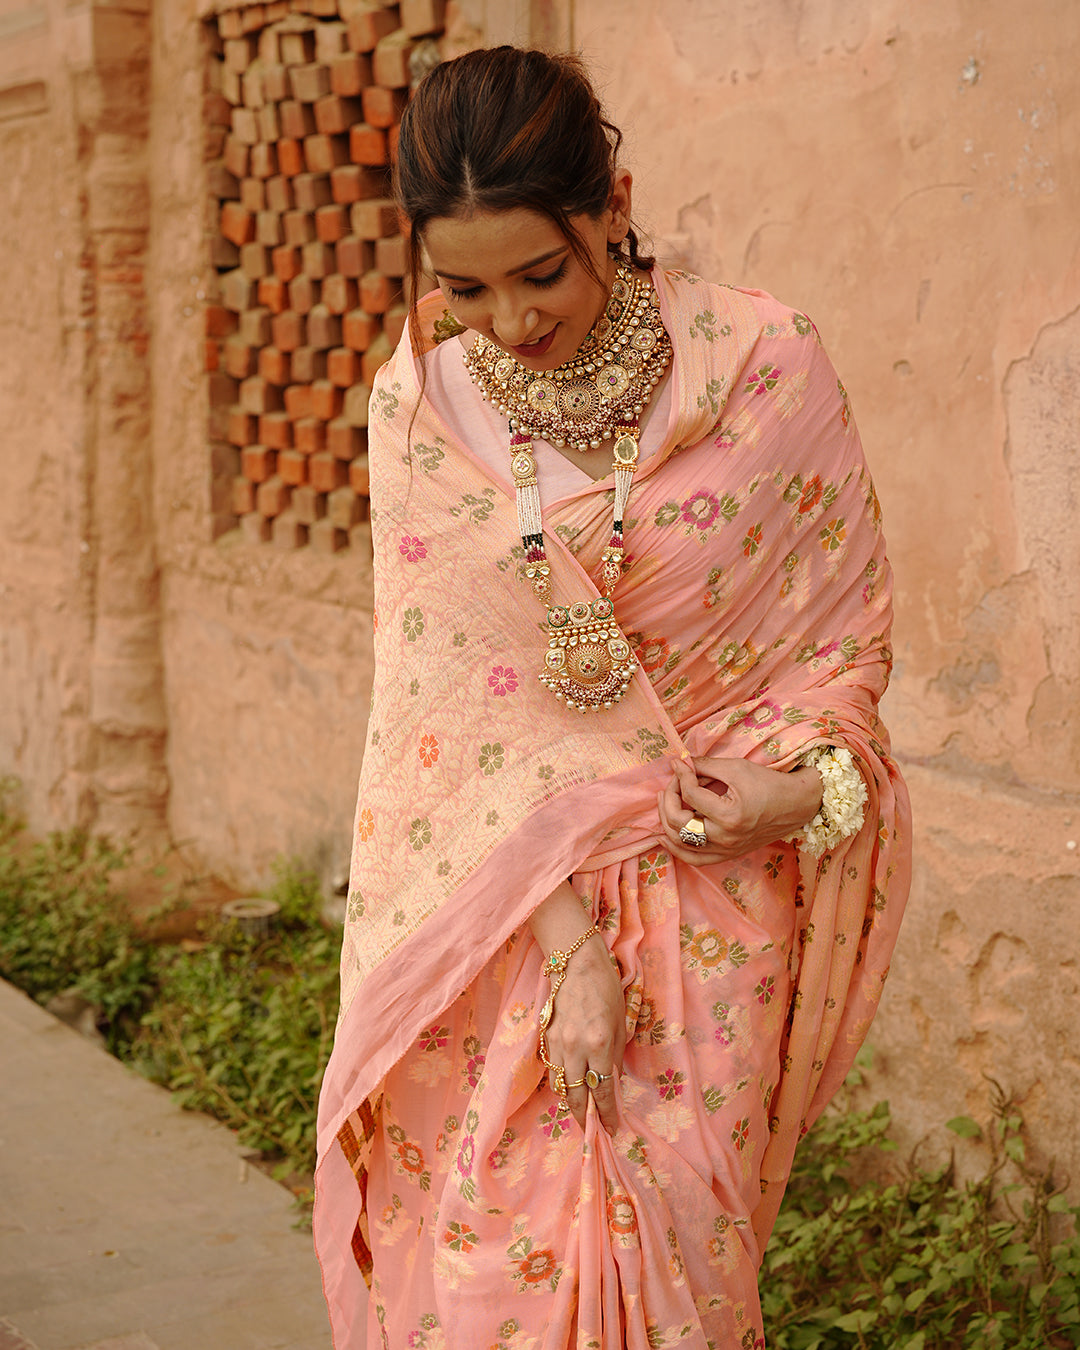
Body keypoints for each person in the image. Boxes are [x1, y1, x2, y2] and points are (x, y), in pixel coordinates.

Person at [314, 45, 910, 1350]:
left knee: (689, 1280)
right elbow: (446, 731)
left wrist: (797, 790)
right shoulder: (423, 412)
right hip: (512, 921)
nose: (510, 322)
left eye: (540, 273)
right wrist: (573, 952)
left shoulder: (766, 368)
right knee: (485, 1292)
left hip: (715, 905)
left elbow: (839, 649)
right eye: (461, 289)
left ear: (615, 205)